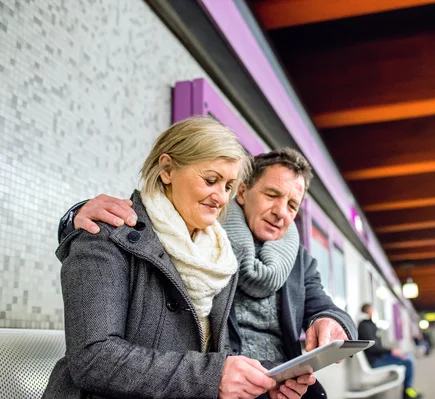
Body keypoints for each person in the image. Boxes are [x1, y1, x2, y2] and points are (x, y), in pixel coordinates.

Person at [45, 116, 318, 398]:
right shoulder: (105, 232)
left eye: (227, 186)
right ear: (167, 169)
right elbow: (93, 359)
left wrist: (269, 380)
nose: (221, 198)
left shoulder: (219, 259)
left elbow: (210, 356)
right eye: (211, 180)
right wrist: (214, 376)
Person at [357, 304, 422, 399]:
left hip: (381, 357)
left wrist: (391, 351)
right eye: (373, 310)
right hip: (376, 361)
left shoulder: (370, 325)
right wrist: (391, 351)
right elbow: (373, 347)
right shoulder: (365, 326)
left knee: (409, 357)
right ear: (369, 312)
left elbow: (377, 345)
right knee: (408, 361)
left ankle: (407, 391)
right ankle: (407, 392)